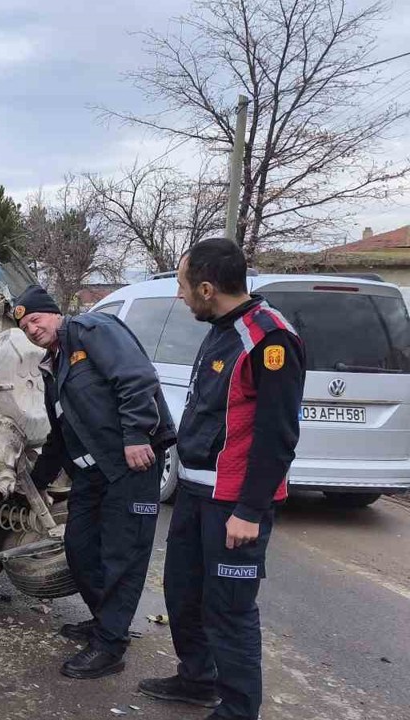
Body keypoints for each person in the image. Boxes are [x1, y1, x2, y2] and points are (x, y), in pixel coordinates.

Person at [138, 238, 305, 720]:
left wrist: (250, 510)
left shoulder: (270, 338)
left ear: (207, 288)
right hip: (194, 490)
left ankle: (238, 709)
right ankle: (197, 680)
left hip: (232, 502)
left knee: (229, 610)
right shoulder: (221, 328)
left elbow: (277, 435)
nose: (180, 295)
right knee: (183, 594)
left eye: (183, 285)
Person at [16, 284, 176, 679]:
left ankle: (110, 646)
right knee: (80, 547)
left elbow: (137, 378)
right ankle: (105, 620)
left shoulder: (94, 330)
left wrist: (136, 434)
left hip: (131, 466)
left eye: (35, 319)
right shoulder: (53, 367)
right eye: (25, 328)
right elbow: (59, 437)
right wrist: (33, 484)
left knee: (122, 554)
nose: (32, 329)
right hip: (92, 472)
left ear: (54, 312)